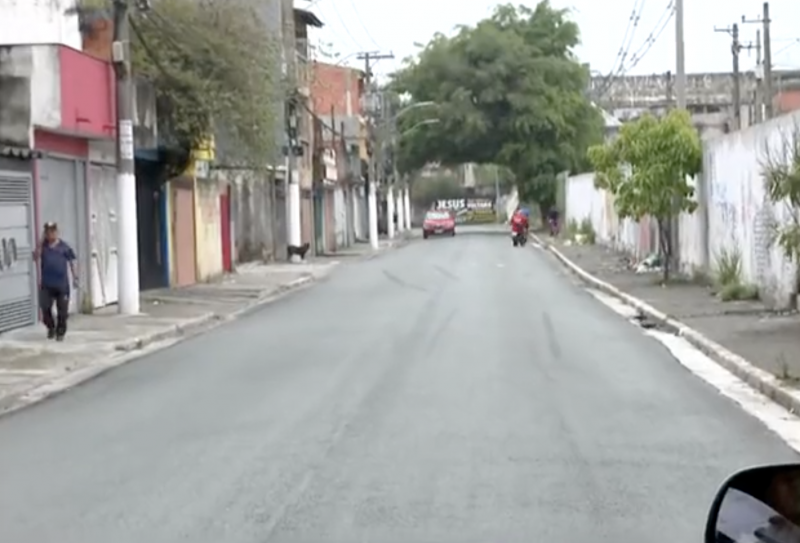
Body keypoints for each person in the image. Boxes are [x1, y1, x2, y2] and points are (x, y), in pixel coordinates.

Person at [33, 222, 78, 341]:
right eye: (47, 232)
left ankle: (60, 332)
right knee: (45, 308)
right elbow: (35, 257)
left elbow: (72, 262)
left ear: (56, 232)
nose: (50, 234)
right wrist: (40, 241)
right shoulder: (43, 247)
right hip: (47, 284)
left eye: (52, 231)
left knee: (62, 312)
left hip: (62, 285)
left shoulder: (64, 247)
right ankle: (51, 327)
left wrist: (75, 277)